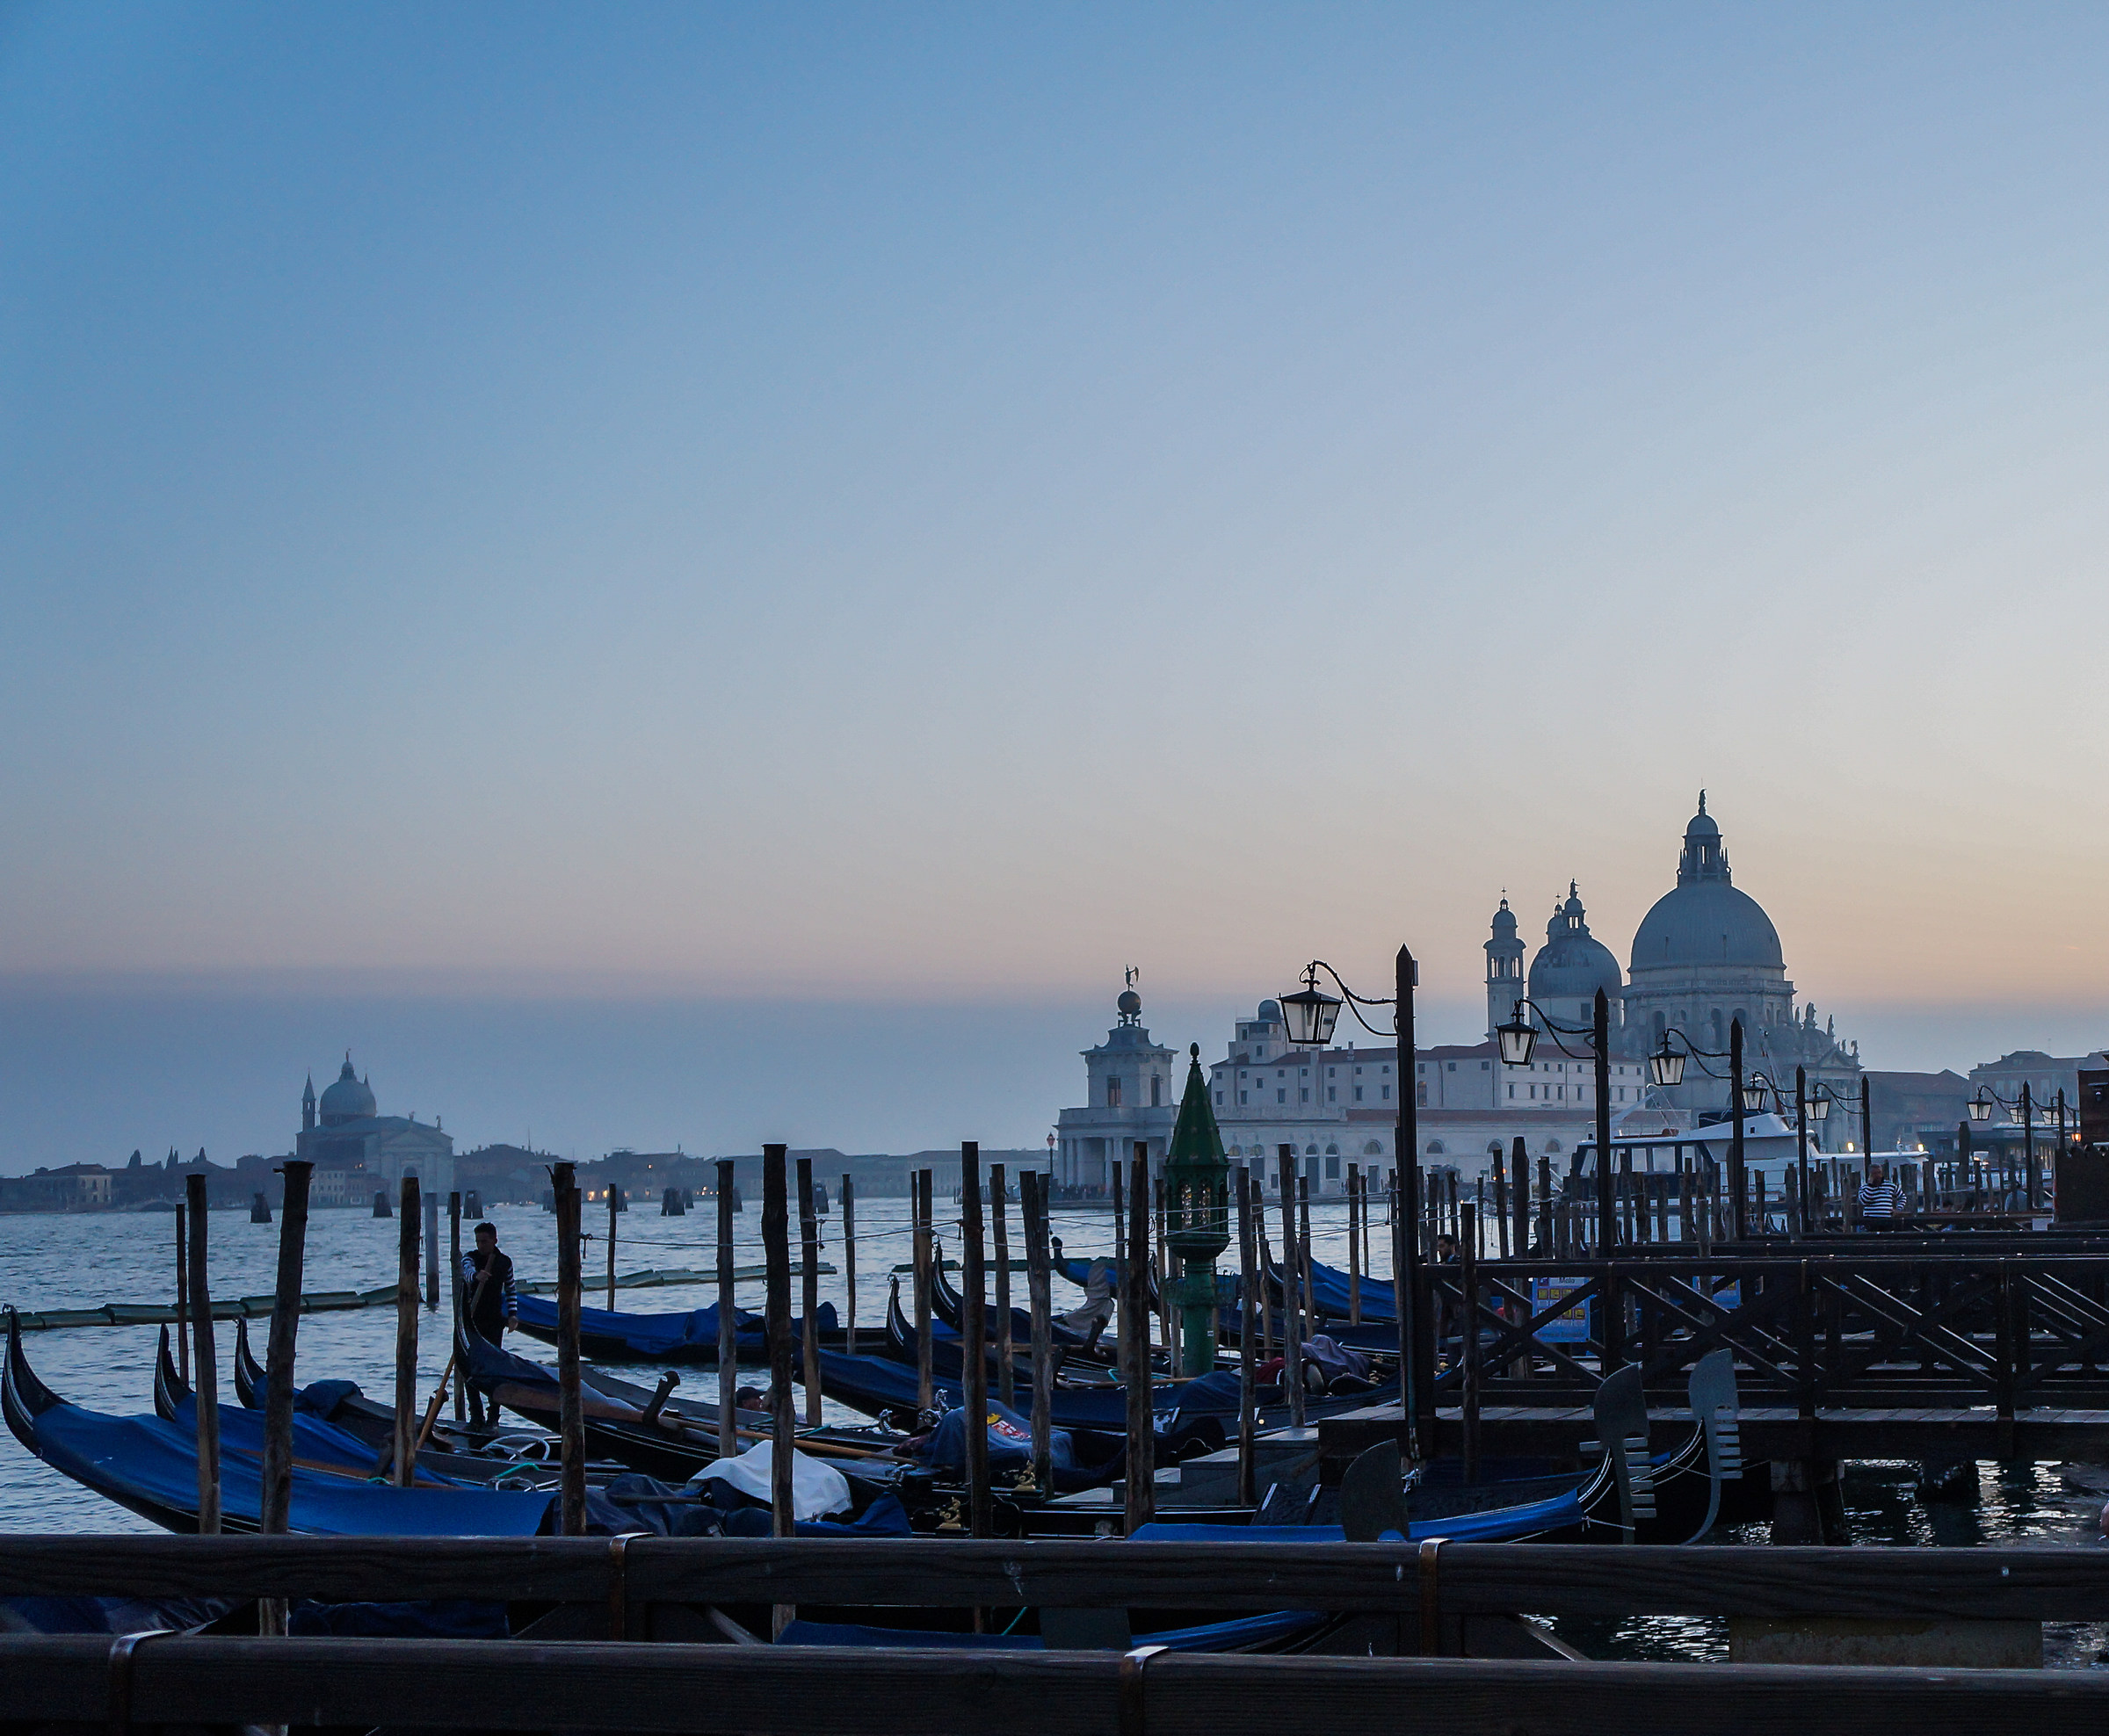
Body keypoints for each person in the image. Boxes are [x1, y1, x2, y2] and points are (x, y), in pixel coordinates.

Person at [460, 1221, 518, 1343]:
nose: (480, 1245)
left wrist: (512, 1315)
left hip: (494, 1319)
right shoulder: (470, 1257)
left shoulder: (505, 1262)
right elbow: (467, 1272)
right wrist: (477, 1276)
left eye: (484, 1242)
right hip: (472, 1317)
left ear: (494, 1241)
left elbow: (510, 1290)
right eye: (478, 1242)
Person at [1857, 1163, 1902, 1229]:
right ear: (1870, 1175)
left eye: (1879, 1173)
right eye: (1875, 1173)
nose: (1878, 1175)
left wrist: (1898, 1209)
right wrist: (1871, 1186)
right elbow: (1865, 1201)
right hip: (1870, 1220)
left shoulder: (1890, 1185)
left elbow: (1902, 1197)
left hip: (1887, 1220)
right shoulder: (1864, 1188)